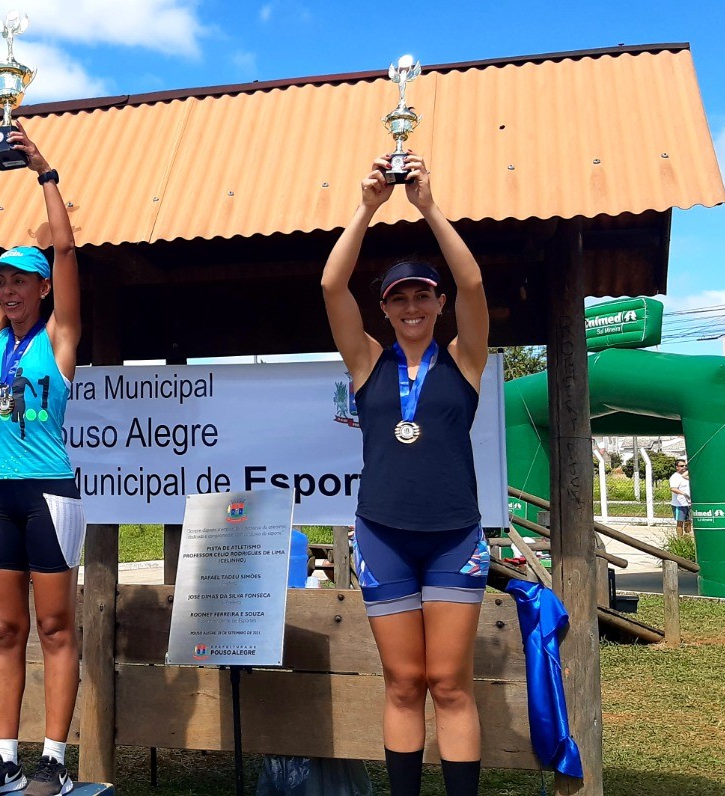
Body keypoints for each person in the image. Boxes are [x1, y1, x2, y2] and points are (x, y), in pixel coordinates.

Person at [321, 152, 490, 796]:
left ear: (439, 303)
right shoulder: (367, 362)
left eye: (422, 294)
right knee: (402, 682)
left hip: (453, 536)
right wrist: (367, 207)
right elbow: (332, 286)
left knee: (449, 684)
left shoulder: (464, 359)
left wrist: (427, 207)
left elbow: (474, 284)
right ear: (386, 309)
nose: (412, 306)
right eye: (399, 298)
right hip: (384, 535)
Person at [0, 122, 84, 796]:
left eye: (20, 281)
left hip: (48, 492)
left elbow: (65, 248)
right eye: (0, 281)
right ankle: (4, 757)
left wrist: (44, 172)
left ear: (42, 288)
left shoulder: (59, 337)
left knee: (56, 628)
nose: (7, 290)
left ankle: (54, 760)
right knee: (5, 627)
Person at [669, 459, 691, 535]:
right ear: (677, 467)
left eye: (685, 466)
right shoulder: (675, 477)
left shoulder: (686, 476)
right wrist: (683, 494)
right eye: (681, 466)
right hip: (679, 504)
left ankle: (687, 537)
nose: (684, 467)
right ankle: (680, 539)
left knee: (688, 521)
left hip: (688, 503)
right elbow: (673, 488)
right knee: (680, 522)